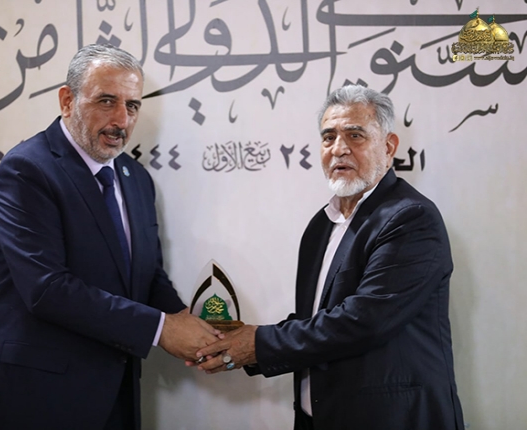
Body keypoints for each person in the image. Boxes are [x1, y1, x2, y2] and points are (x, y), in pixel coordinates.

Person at [0, 44, 220, 430]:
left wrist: (192, 327)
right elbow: (47, 290)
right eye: (106, 101)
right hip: (33, 398)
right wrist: (163, 329)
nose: (121, 119)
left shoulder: (135, 178)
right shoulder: (26, 170)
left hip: (114, 395)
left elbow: (145, 275)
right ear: (67, 100)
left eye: (132, 105)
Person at [195, 85, 465, 430]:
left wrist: (258, 344)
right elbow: (316, 320)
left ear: (389, 147)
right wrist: (235, 344)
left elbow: (363, 321)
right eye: (328, 137)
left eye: (355, 135)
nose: (339, 148)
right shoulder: (321, 225)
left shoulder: (411, 218)